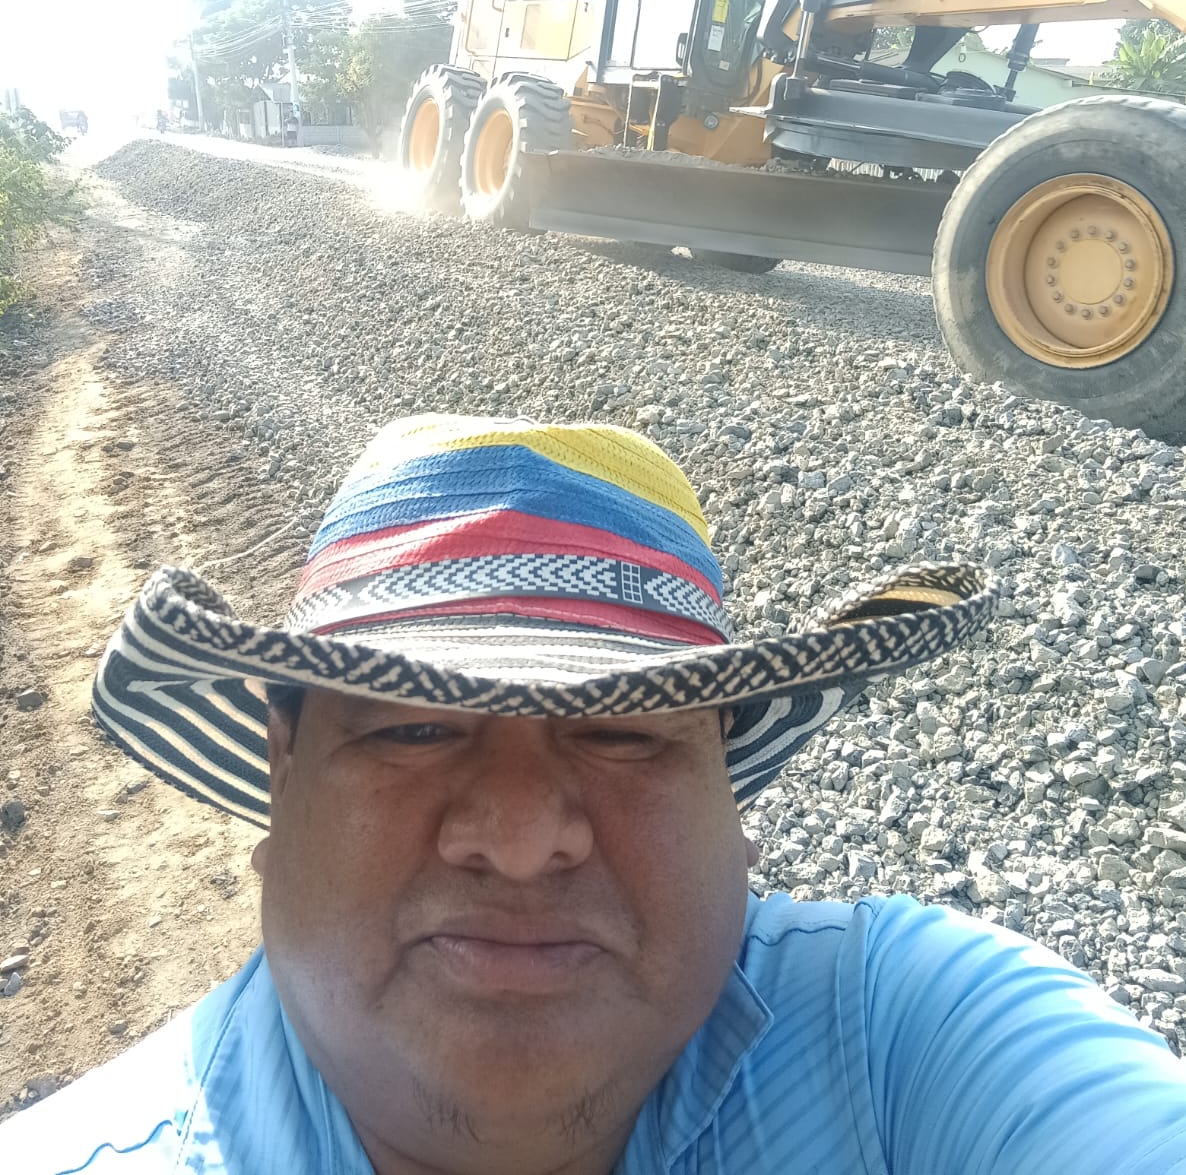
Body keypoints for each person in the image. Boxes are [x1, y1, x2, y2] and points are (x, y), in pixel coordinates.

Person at [3, 413, 1186, 1174]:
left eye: (623, 733)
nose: (520, 840)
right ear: (282, 777)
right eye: (412, 728)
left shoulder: (909, 1040)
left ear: (730, 804)